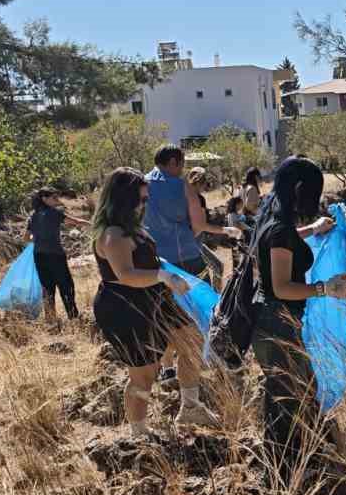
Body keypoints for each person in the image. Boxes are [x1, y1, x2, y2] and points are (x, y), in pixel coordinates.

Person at [251, 156, 346, 475]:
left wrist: (312, 229)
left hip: (272, 322)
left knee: (289, 394)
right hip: (276, 323)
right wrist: (327, 288)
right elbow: (282, 287)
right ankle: (286, 472)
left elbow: (284, 243)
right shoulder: (280, 230)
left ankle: (290, 466)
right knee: (289, 398)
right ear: (299, 189)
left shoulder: (272, 218)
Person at [92, 168, 211, 433]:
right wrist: (162, 276)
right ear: (123, 200)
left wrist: (163, 272)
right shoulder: (113, 235)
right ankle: (139, 433)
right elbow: (125, 275)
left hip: (155, 298)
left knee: (192, 341)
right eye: (141, 200)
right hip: (125, 307)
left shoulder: (132, 228)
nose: (144, 206)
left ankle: (190, 408)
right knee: (144, 375)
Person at [143, 145, 209, 278]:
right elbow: (198, 226)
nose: (182, 171)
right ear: (173, 162)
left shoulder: (139, 183)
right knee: (203, 289)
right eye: (182, 165)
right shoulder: (182, 186)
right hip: (185, 256)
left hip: (154, 260)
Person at [26, 188, 86, 321]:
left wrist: (38, 239)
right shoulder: (54, 213)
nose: (56, 200)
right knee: (66, 286)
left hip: (39, 255)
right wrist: (92, 224)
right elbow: (75, 221)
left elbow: (26, 238)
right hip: (55, 254)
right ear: (44, 198)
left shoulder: (33, 216)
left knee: (47, 288)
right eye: (53, 197)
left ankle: (50, 319)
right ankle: (73, 317)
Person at [185, 164, 241, 285]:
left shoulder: (182, 195)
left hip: (186, 242)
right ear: (201, 183)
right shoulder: (199, 199)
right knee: (217, 267)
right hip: (194, 244)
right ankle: (215, 296)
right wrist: (227, 230)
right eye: (206, 183)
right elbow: (201, 226)